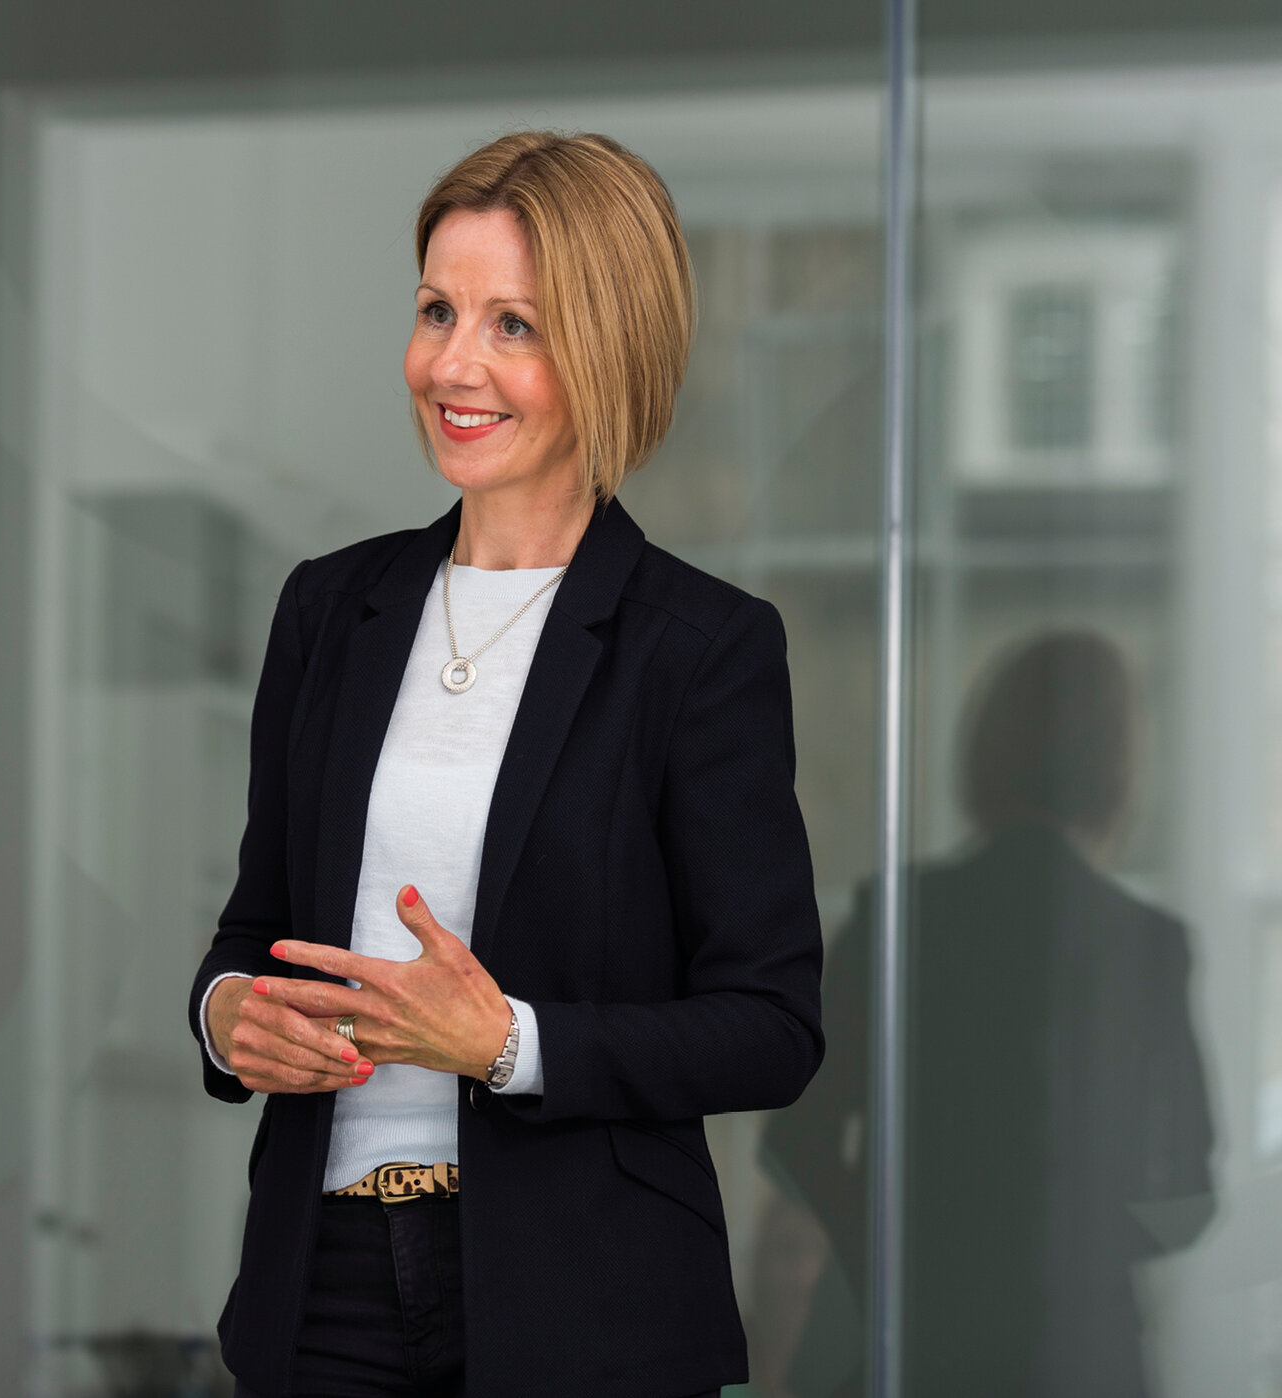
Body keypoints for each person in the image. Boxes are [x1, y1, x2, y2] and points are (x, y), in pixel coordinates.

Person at [187, 130, 825, 1398]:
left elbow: (772, 1029)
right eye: (437, 310)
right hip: (326, 1292)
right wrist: (230, 1021)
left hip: (588, 1308)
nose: (453, 364)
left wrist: (506, 1042)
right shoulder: (329, 611)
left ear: (610, 347)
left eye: (513, 325)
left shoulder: (700, 652)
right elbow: (255, 932)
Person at [761, 631, 1217, 1398]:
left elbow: (795, 1140)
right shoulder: (1146, 945)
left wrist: (888, 1244)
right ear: (1119, 767)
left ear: (986, 751)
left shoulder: (895, 921)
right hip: (1081, 1354)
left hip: (912, 1339)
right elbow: (1190, 1192)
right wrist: (1074, 1249)